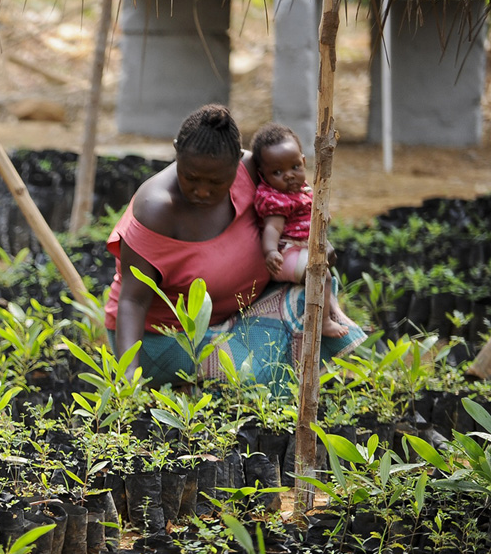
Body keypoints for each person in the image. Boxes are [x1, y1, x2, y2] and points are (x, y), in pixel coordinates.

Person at [105, 104, 366, 394]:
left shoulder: (255, 171)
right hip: (169, 337)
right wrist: (128, 377)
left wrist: (317, 242)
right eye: (191, 178)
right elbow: (133, 301)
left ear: (239, 162)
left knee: (316, 285)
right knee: (251, 376)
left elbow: (296, 207)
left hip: (240, 315)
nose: (202, 191)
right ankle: (196, 386)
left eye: (217, 182)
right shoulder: (157, 209)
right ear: (177, 152)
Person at [250, 122, 350, 339]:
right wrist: (270, 252)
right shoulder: (276, 199)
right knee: (321, 275)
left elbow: (307, 216)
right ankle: (322, 321)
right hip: (284, 255)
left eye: (294, 167)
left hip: (299, 249)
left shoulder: (303, 189)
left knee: (327, 266)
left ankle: (329, 309)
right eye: (277, 172)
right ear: (263, 175)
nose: (288, 175)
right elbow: (272, 228)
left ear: (303, 161)